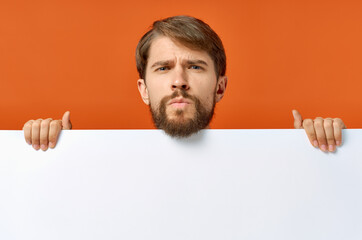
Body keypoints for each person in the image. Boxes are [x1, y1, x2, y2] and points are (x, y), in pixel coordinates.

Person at [22, 16, 346, 152]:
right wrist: (56, 156)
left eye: (194, 66)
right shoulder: (92, 174)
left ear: (220, 87)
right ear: (143, 90)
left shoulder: (278, 170)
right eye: (163, 68)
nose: (179, 82)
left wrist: (312, 159)